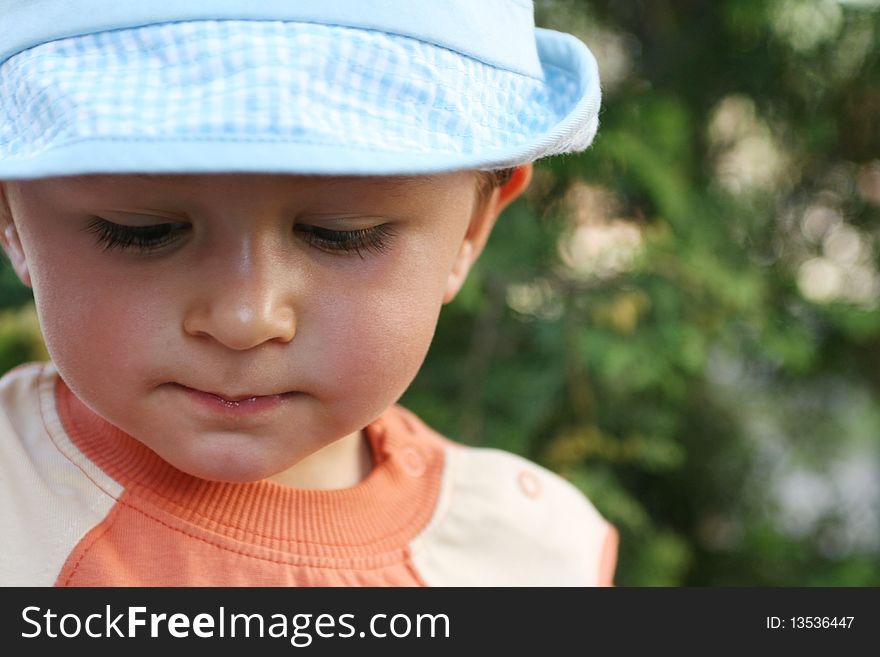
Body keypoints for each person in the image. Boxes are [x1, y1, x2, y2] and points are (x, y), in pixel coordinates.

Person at [0, 0, 617, 586]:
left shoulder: (531, 559)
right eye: (142, 231)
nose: (245, 317)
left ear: (471, 230)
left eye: (340, 236)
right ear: (12, 219)